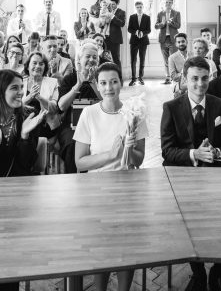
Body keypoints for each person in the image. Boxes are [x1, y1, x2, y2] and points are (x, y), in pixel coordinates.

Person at [160, 56, 221, 291]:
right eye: (194, 79)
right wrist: (195, 154)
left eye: (204, 78)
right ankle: (198, 272)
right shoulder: (171, 108)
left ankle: (220, 272)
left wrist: (214, 153)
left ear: (210, 78)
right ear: (185, 79)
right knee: (188, 227)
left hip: (216, 174)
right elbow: (167, 151)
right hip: (184, 175)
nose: (200, 84)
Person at [73, 61, 147, 291]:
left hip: (127, 187)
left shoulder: (134, 113)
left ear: (121, 83)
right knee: (101, 246)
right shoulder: (89, 113)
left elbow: (139, 160)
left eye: (113, 82)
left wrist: (130, 148)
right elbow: (80, 162)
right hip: (97, 188)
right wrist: (110, 155)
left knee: (126, 246)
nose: (109, 88)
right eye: (103, 83)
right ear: (97, 85)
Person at [56, 40, 102, 173]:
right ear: (79, 59)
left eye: (95, 57)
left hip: (97, 124)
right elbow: (61, 106)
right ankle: (74, 182)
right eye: (88, 56)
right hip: (72, 125)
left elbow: (109, 103)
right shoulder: (70, 78)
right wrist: (78, 84)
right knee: (72, 145)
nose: (91, 60)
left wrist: (93, 81)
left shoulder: (102, 78)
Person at [22, 51, 61, 141]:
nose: (38, 66)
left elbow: (53, 108)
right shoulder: (21, 82)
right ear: (28, 66)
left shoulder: (53, 82)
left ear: (45, 67)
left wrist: (39, 97)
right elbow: (15, 106)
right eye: (34, 63)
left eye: (41, 64)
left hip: (46, 124)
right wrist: (30, 96)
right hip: (24, 123)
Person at [155, 0, 181, 84]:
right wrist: (162, 24)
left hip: (173, 39)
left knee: (173, 59)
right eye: (166, 2)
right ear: (164, 3)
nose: (168, 4)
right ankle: (168, 78)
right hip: (163, 39)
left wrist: (171, 23)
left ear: (172, 3)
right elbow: (156, 26)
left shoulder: (176, 13)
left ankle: (175, 77)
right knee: (166, 60)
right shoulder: (160, 13)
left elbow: (178, 26)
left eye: (170, 2)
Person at [127, 1, 151, 86]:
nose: (139, 8)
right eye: (138, 7)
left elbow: (149, 30)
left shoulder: (147, 17)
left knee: (142, 60)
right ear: (135, 8)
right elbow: (129, 29)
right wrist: (136, 32)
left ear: (143, 7)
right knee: (133, 60)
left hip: (143, 41)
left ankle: (140, 78)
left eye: (141, 7)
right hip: (134, 41)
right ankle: (133, 79)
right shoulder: (132, 17)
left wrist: (143, 33)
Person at [104, 0, 127, 68]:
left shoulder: (122, 12)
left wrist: (113, 17)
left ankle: (119, 78)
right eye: (111, 4)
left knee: (116, 58)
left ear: (117, 4)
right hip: (106, 38)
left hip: (115, 39)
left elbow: (122, 24)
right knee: (106, 58)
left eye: (113, 4)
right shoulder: (107, 11)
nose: (112, 5)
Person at [168, 33, 189, 97]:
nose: (181, 44)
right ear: (176, 44)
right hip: (180, 87)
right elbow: (173, 76)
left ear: (186, 42)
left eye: (183, 41)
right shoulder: (172, 58)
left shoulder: (193, 55)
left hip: (193, 85)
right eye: (178, 42)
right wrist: (188, 74)